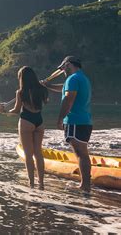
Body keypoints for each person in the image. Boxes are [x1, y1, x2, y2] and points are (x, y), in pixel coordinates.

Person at [41, 56, 92, 192]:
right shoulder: (81, 78)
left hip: (75, 120)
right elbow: (64, 88)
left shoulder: (73, 79)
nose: (62, 71)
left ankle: (85, 186)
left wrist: (60, 119)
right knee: (83, 152)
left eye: (63, 67)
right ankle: (86, 184)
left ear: (68, 64)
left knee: (81, 153)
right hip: (85, 120)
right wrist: (48, 85)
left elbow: (68, 98)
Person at [0, 66, 48, 189]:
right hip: (39, 122)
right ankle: (41, 183)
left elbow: (15, 111)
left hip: (26, 121)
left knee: (28, 155)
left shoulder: (20, 92)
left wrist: (3, 111)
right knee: (38, 153)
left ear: (22, 78)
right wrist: (40, 87)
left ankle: (31, 184)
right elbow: (46, 101)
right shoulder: (42, 89)